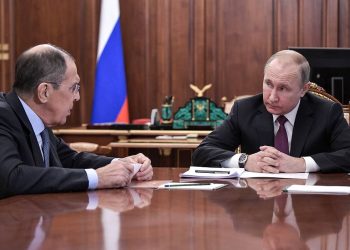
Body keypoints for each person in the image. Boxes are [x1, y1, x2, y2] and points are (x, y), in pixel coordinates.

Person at [0, 44, 153, 198]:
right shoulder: (3, 116)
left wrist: (123, 164)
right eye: (73, 88)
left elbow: (69, 159)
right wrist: (97, 178)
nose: (77, 97)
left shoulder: (36, 118)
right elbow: (10, 177)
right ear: (44, 92)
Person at [192, 49, 350, 173]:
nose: (272, 97)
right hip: (258, 203)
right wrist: (244, 161)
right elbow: (201, 153)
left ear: (303, 89)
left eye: (283, 88)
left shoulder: (327, 112)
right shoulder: (245, 109)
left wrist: (302, 164)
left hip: (310, 204)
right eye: (268, 84)